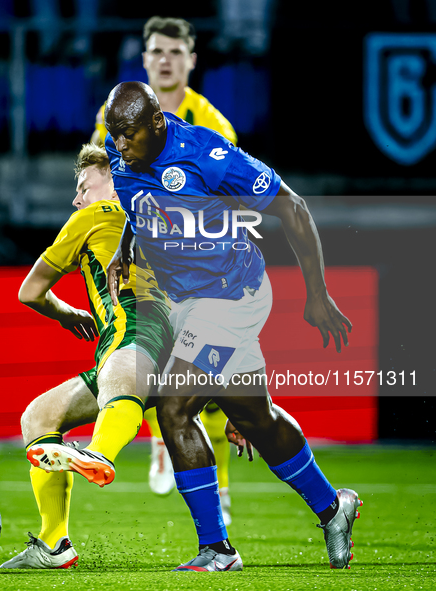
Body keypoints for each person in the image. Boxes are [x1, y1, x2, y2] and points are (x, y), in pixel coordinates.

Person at [101, 81, 362, 572]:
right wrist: (124, 249)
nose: (119, 145)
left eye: (128, 134)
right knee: (255, 419)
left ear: (157, 124)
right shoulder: (124, 156)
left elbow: (292, 206)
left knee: (173, 407)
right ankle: (334, 508)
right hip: (188, 304)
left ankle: (217, 550)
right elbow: (142, 207)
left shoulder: (207, 155)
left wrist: (317, 293)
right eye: (113, 135)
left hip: (231, 297)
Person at [0, 143, 173, 569]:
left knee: (117, 377)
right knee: (39, 416)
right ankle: (54, 546)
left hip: (135, 328)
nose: (77, 199)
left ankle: (99, 453)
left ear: (113, 180)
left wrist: (65, 313)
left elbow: (29, 292)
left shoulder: (94, 216)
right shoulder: (165, 217)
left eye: (83, 186)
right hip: (176, 334)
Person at [93, 15, 238, 518]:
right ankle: (173, 451)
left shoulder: (213, 125)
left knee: (209, 382)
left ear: (192, 60)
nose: (166, 60)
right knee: (151, 358)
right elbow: (109, 179)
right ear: (145, 58)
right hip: (140, 258)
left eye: (176, 52)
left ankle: (212, 485)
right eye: (157, 51)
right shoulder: (115, 113)